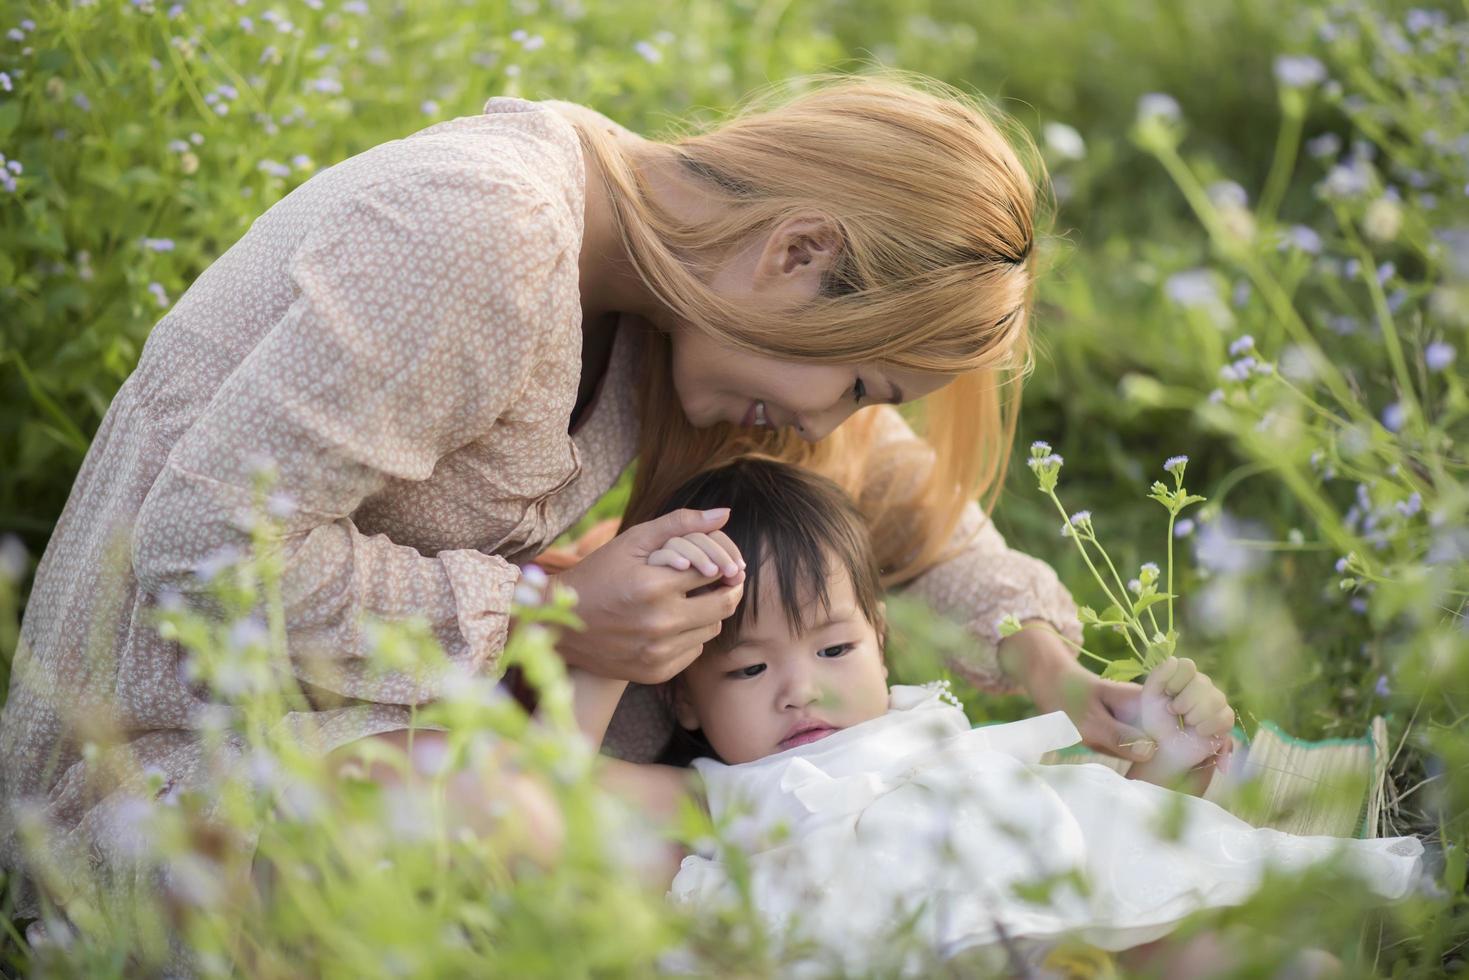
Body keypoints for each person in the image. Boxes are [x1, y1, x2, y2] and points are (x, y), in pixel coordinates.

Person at [2, 72, 1150, 918]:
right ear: (798, 251)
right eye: (855, 381)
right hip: (154, 786)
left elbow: (900, 495)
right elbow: (204, 546)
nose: (827, 423)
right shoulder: (482, 232)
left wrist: (1052, 662)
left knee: (731, 809)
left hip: (409, 753)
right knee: (503, 816)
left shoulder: (671, 304)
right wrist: (545, 612)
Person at [570, 458, 1424, 976]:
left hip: (1083, 930)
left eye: (834, 651)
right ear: (680, 688)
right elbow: (554, 782)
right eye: (750, 668)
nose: (802, 690)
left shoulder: (939, 734)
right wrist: (613, 645)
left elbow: (1099, 834)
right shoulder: (711, 796)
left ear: (879, 642)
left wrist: (1167, 760)